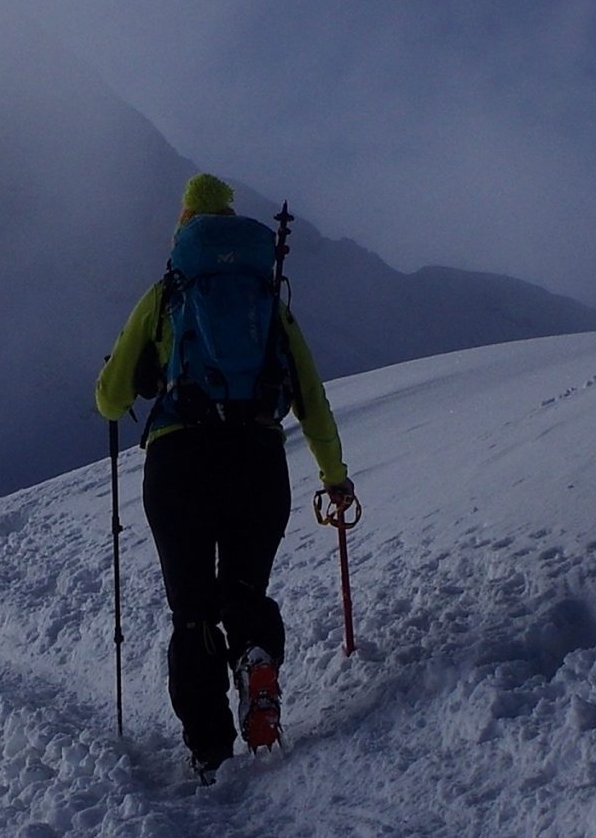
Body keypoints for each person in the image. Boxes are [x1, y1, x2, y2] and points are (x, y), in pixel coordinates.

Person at [95, 173, 354, 781]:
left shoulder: (165, 295)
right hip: (257, 459)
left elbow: (109, 399)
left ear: (185, 223)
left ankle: (210, 751)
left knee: (191, 608)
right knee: (242, 587)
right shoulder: (269, 302)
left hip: (179, 463)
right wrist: (334, 476)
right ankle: (256, 656)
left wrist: (124, 377)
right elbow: (311, 398)